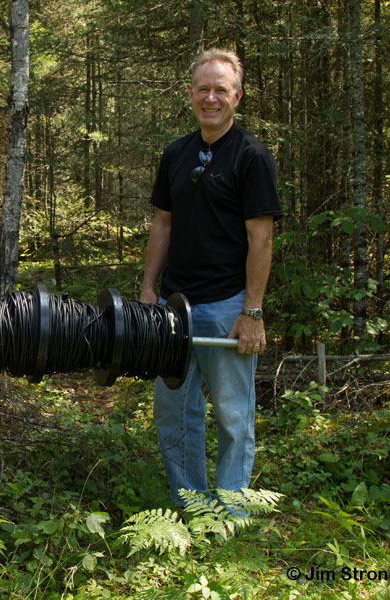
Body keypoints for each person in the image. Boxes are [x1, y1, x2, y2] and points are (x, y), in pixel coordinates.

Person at [140, 49, 282, 510]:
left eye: (221, 89)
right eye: (204, 88)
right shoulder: (176, 153)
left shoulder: (252, 156)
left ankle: (232, 511)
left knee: (233, 417)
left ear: (236, 96)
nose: (211, 97)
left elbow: (260, 238)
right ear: (191, 95)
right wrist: (148, 291)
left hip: (227, 306)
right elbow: (163, 223)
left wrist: (252, 312)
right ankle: (191, 507)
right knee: (175, 415)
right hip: (174, 307)